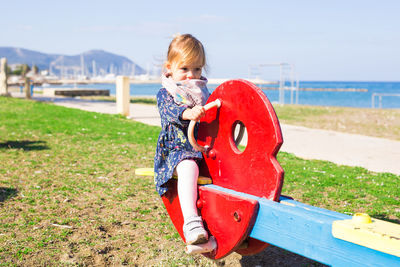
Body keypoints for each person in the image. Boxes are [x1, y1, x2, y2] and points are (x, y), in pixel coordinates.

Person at [154, 34, 210, 245]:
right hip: (175, 151)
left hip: (200, 149)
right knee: (188, 167)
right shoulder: (166, 93)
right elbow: (170, 111)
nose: (191, 75)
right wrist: (188, 113)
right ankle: (191, 222)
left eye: (197, 69)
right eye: (185, 69)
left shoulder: (203, 93)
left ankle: (217, 227)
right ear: (169, 68)